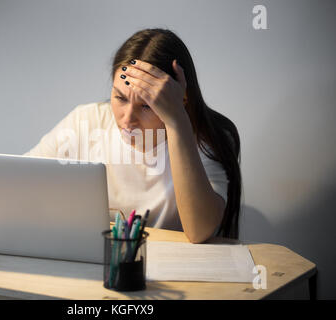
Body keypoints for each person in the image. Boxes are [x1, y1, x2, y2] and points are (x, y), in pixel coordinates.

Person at [23, 28, 241, 243]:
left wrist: (177, 122)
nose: (127, 119)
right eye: (120, 98)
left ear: (179, 100)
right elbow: (21, 180)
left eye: (146, 106)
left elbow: (199, 230)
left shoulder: (205, 138)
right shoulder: (87, 121)